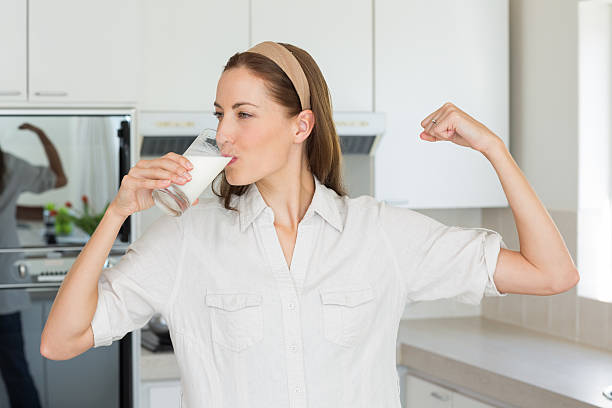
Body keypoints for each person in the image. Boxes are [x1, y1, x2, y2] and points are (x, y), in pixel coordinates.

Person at [40, 41, 579, 407]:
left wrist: (493, 149)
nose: (223, 133)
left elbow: (551, 273)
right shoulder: (186, 239)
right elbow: (60, 342)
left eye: (244, 114)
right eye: (218, 114)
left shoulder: (380, 235)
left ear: (301, 125)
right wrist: (115, 215)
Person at [0, 122, 67, 407]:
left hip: (6, 292)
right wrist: (41, 133)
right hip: (5, 292)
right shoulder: (10, 166)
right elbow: (59, 179)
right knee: (17, 376)